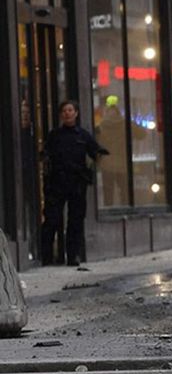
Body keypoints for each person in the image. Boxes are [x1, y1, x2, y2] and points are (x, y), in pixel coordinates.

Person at [41, 100, 108, 266]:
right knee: (52, 219)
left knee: (75, 221)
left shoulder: (83, 136)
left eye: (70, 110)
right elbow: (44, 156)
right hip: (56, 183)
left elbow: (96, 153)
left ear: (76, 113)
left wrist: (95, 161)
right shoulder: (54, 136)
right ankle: (47, 256)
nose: (67, 113)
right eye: (64, 111)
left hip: (77, 184)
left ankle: (73, 256)